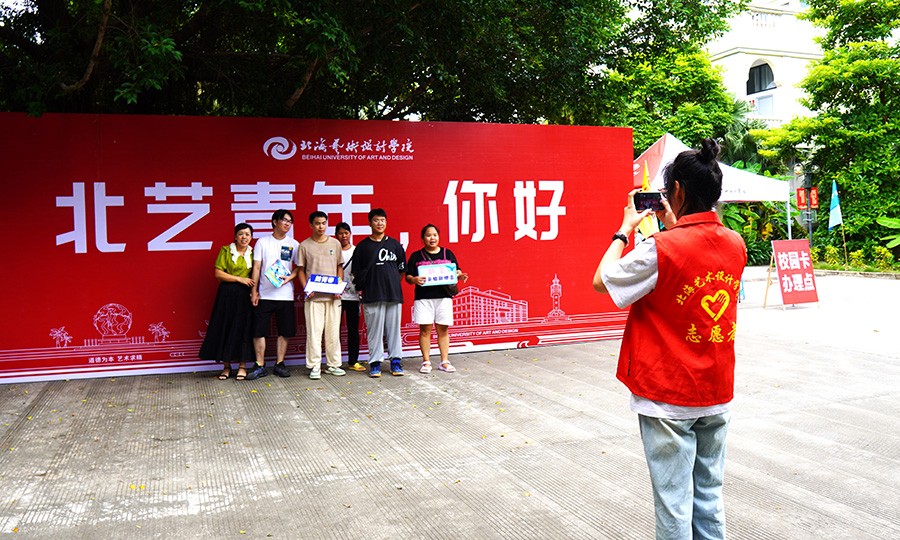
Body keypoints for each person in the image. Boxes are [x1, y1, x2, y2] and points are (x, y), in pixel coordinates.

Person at [592, 138, 747, 540]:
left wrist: (624, 230)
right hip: (716, 390)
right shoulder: (735, 243)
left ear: (675, 190)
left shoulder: (660, 248)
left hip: (668, 394)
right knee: (709, 497)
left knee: (673, 502)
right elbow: (696, 251)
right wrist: (673, 222)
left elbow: (601, 281)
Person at [351, 208, 407, 378]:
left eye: (382, 220)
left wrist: (390, 283)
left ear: (386, 222)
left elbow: (401, 270)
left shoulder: (395, 245)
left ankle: (396, 361)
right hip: (372, 294)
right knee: (374, 331)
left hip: (393, 294)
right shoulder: (362, 246)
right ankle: (375, 363)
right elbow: (356, 272)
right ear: (370, 223)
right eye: (376, 220)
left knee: (394, 330)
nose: (380, 223)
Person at [405, 224, 468, 373]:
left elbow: (456, 270)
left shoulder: (447, 253)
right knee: (425, 330)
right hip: (423, 298)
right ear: (423, 238)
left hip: (444, 297)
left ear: (438, 236)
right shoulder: (416, 256)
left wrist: (460, 275)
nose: (432, 238)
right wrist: (414, 279)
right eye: (428, 235)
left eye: (434, 235)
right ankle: (426, 362)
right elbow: (408, 276)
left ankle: (444, 361)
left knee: (443, 330)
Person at [245, 209, 300, 380]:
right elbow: (256, 267)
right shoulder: (263, 242)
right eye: (284, 220)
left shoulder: (294, 244)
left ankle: (279, 363)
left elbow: (300, 267)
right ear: (275, 222)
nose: (287, 224)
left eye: (290, 221)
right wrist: (254, 291)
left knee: (285, 330)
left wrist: (289, 278)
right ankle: (259, 365)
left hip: (285, 294)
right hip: (264, 294)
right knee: (259, 330)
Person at [198, 223, 256, 381]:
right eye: (241, 234)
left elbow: (256, 273)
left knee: (244, 329)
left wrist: (254, 291)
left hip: (245, 295)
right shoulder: (225, 250)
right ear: (235, 236)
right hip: (227, 294)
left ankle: (242, 366)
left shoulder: (254, 253)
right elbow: (218, 274)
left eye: (247, 234)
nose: (244, 237)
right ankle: (226, 366)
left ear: (251, 237)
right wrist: (239, 279)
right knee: (226, 326)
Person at [297, 211, 346, 380]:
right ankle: (315, 366)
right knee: (314, 333)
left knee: (333, 333)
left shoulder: (335, 243)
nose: (321, 226)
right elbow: (301, 270)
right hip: (313, 298)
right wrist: (306, 288)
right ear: (311, 225)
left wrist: (338, 287)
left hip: (333, 297)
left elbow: (339, 267)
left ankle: (333, 365)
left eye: (324, 223)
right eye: (317, 223)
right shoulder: (304, 245)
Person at [335, 222, 365, 372]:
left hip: (353, 296)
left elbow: (363, 271)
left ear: (350, 234)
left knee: (353, 330)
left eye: (346, 233)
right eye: (340, 233)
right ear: (336, 235)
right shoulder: (333, 251)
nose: (344, 236)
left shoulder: (356, 251)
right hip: (336, 296)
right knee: (334, 330)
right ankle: (335, 362)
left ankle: (353, 361)